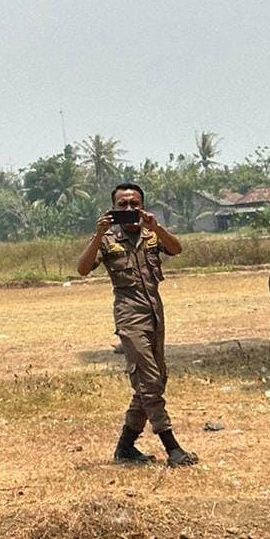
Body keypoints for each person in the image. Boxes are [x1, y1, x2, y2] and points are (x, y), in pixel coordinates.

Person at [76, 184, 198, 467]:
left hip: (155, 312)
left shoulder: (151, 234)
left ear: (142, 205)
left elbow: (176, 249)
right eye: (123, 205)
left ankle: (126, 446)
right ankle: (172, 447)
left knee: (155, 380)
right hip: (129, 315)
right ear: (113, 208)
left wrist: (158, 227)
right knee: (149, 382)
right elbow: (82, 269)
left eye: (134, 204)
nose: (129, 210)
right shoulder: (107, 240)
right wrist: (97, 235)